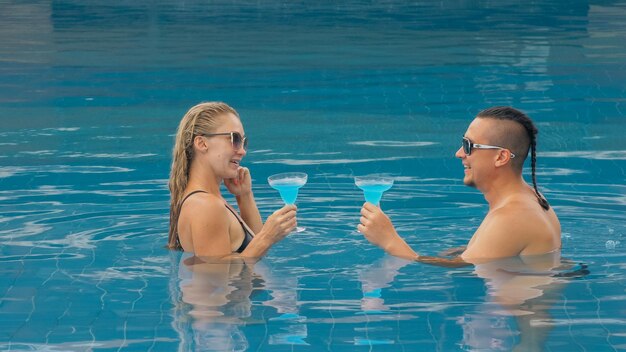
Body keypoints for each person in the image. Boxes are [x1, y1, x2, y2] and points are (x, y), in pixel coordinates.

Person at [358, 106, 561, 266]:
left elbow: (461, 270)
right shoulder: (530, 198)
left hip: (517, 313)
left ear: (500, 157)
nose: (459, 153)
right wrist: (468, 249)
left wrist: (390, 241)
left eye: (468, 146)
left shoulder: (512, 217)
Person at [168, 102, 297, 258]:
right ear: (202, 143)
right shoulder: (207, 206)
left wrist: (244, 196)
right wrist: (267, 237)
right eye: (234, 139)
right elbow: (216, 274)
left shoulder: (208, 200)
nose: (242, 151)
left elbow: (256, 250)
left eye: (243, 142)